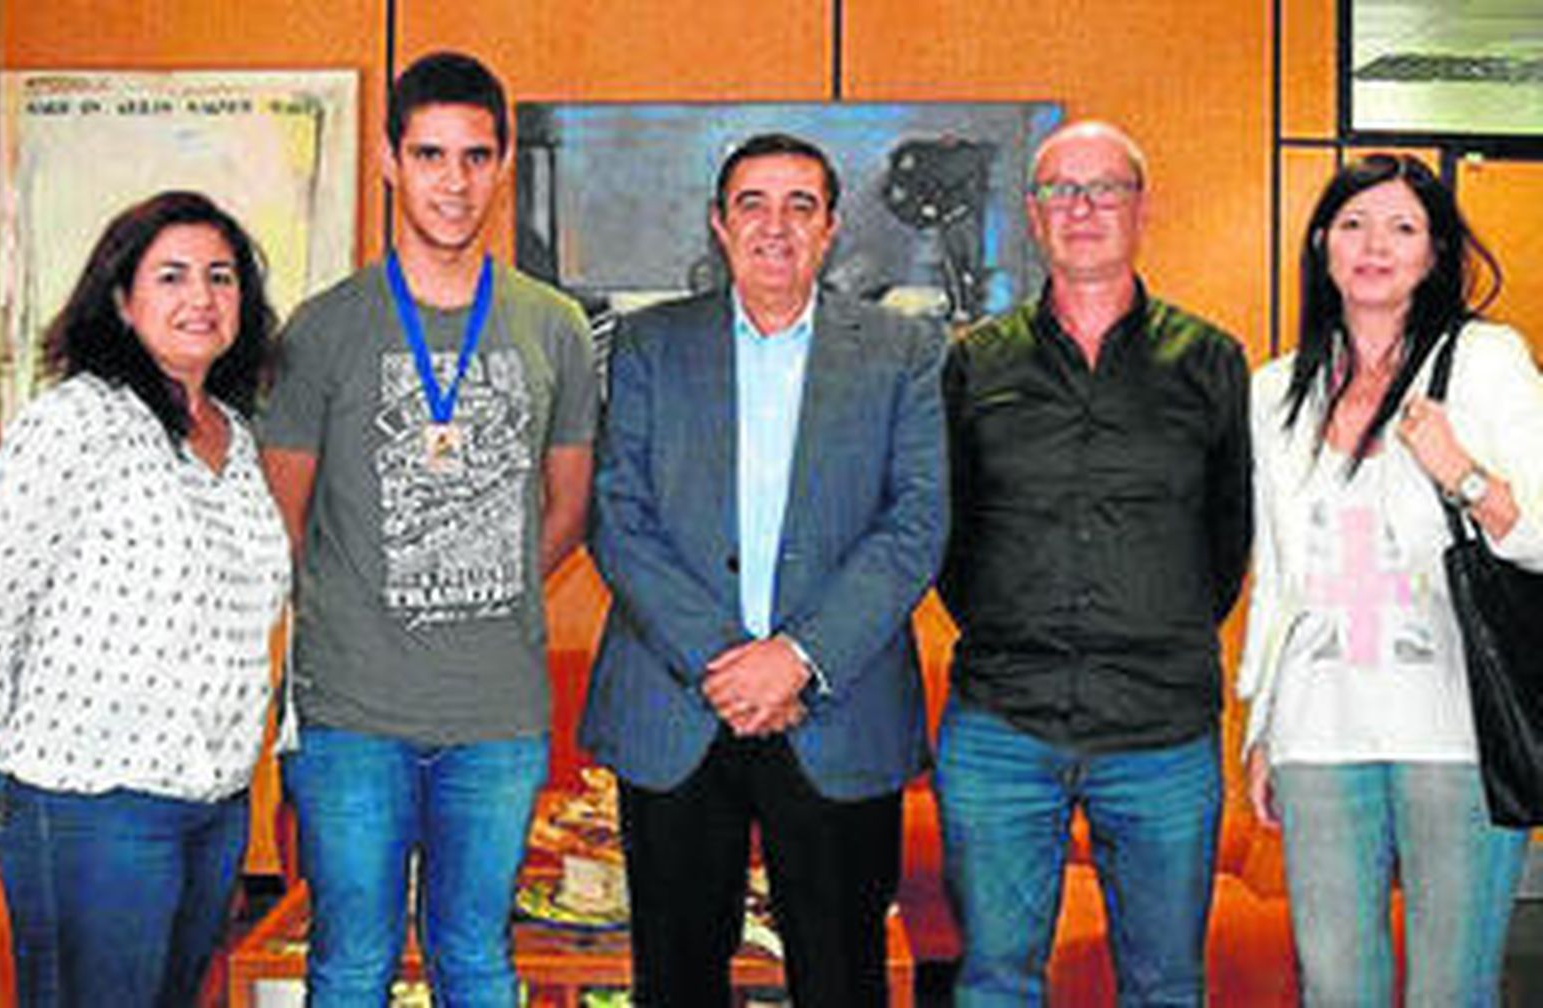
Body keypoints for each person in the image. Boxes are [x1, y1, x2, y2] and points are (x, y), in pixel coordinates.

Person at [258, 51, 596, 1007]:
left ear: (501, 166)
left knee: (479, 961)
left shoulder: (554, 324)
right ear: (388, 161)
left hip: (497, 716)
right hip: (352, 718)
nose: (455, 182)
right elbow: (282, 516)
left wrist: (486, 567)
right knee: (352, 963)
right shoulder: (322, 330)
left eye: (477, 157)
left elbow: (570, 502)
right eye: (432, 154)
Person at [582, 132, 946, 1007]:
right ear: (719, 224)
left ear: (831, 229)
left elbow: (917, 521)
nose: (774, 226)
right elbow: (617, 516)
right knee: (674, 983)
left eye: (800, 206)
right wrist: (728, 661)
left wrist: (795, 658)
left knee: (842, 981)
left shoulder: (903, 352)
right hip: (678, 710)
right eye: (752, 203)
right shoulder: (648, 345)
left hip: (838, 707)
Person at [0, 190, 290, 1007]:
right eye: (170, 276)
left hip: (210, 804)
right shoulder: (79, 420)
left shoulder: (236, 437)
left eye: (221, 276)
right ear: (122, 300)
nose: (200, 298)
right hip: (91, 800)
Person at [936, 120, 1252, 1006]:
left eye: (1104, 188)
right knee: (996, 981)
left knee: (1164, 985)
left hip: (1162, 731)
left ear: (1141, 209)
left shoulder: (1211, 361)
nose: (1081, 208)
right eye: (1058, 191)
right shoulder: (974, 365)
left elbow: (1228, 540)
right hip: (1004, 722)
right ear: (1033, 216)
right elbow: (950, 542)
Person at [1238, 152, 1543, 1006]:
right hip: (1319, 731)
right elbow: (1277, 577)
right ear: (1322, 245)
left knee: (1452, 987)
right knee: (1336, 985)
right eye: (1354, 224)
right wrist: (1263, 723)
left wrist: (1465, 475)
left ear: (1436, 252)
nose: (1376, 244)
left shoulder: (1484, 362)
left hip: (1457, 729)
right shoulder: (1274, 391)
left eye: (1403, 226)